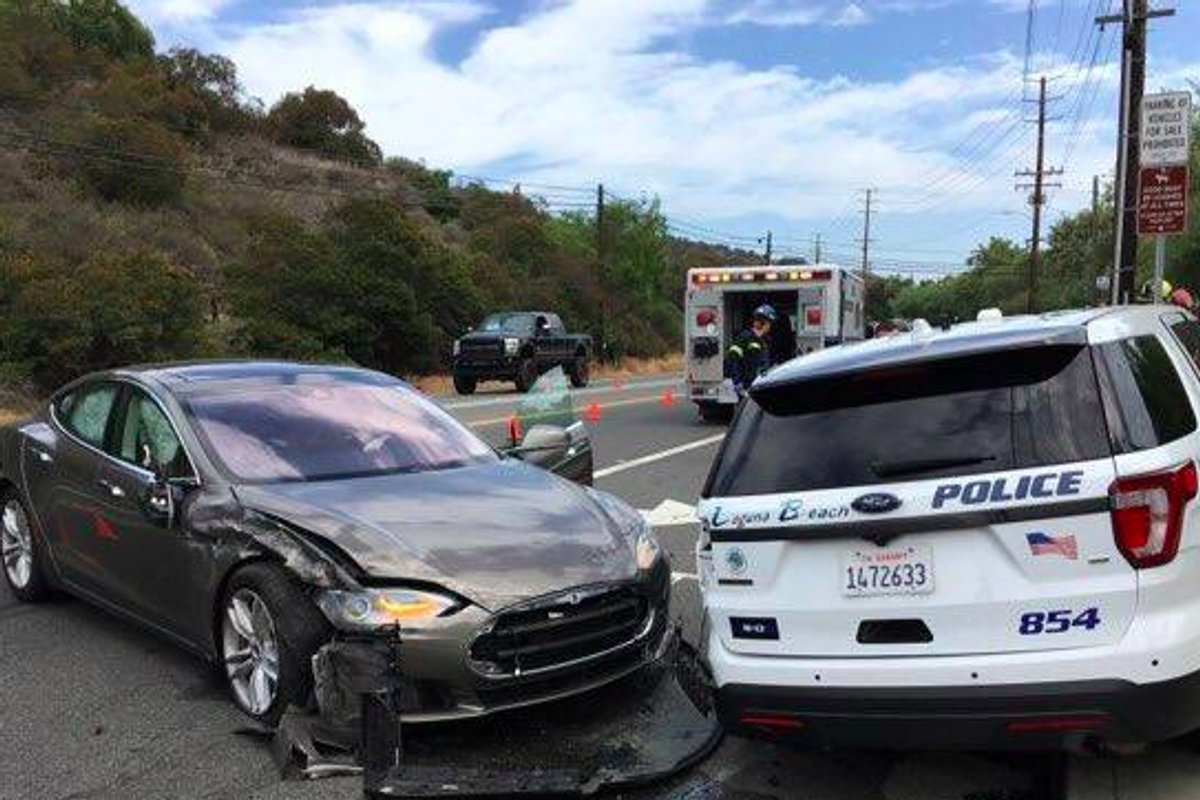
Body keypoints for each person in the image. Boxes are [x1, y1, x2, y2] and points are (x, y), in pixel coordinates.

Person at [728, 304, 776, 391]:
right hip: (748, 386)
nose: (769, 326)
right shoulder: (745, 337)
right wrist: (737, 381)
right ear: (763, 323)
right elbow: (733, 358)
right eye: (769, 323)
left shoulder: (765, 340)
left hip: (761, 383)